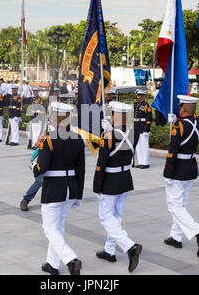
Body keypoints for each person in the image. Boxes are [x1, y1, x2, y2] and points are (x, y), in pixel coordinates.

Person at [34, 102, 85, 275]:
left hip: (54, 189)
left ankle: (71, 259)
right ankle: (52, 264)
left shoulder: (49, 139)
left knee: (49, 228)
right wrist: (78, 193)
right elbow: (81, 170)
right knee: (58, 226)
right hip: (71, 188)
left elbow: (42, 167)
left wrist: (34, 166)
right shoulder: (78, 139)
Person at [93, 101, 143, 272]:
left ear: (115, 116)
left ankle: (130, 246)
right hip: (125, 178)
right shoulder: (133, 133)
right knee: (116, 216)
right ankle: (109, 250)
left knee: (106, 217)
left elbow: (101, 162)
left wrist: (96, 185)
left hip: (110, 180)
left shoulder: (108, 135)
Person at [163, 95, 199, 257]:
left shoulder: (179, 126)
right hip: (190, 167)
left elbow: (172, 151)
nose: (178, 107)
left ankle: (198, 232)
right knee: (181, 205)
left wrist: (167, 173)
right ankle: (176, 237)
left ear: (183, 108)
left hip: (178, 169)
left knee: (174, 206)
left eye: (180, 105)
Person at [20, 137, 44, 211]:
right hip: (37, 161)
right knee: (40, 181)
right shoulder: (50, 136)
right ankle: (25, 200)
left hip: (48, 162)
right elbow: (37, 143)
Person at [133, 89, 152, 168]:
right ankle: (140, 162)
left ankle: (145, 163)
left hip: (143, 126)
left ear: (144, 96)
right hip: (136, 126)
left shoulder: (146, 105)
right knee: (138, 145)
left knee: (144, 145)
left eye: (140, 95)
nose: (138, 97)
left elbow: (149, 118)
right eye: (138, 95)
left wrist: (146, 129)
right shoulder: (135, 105)